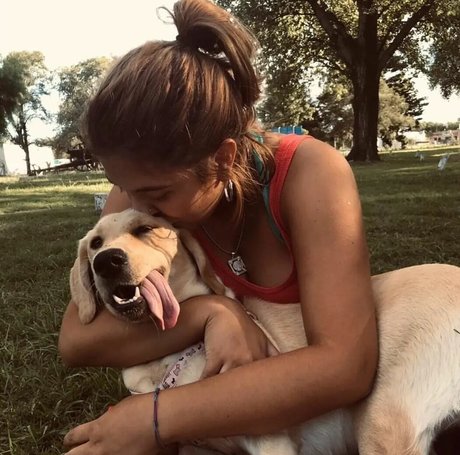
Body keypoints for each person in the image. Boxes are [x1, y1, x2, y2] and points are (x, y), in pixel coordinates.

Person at [59, 0, 379, 453]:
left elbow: (346, 366)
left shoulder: (309, 173)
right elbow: (77, 341)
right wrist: (214, 312)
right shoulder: (138, 191)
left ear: (224, 159)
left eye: (157, 193)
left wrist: (155, 419)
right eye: (123, 187)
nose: (136, 207)